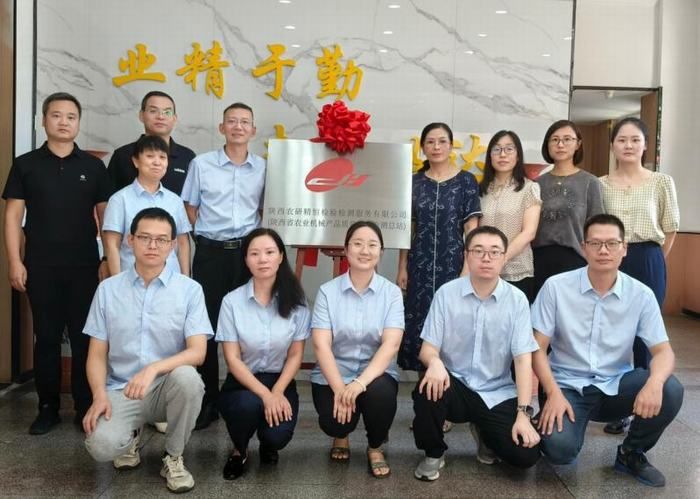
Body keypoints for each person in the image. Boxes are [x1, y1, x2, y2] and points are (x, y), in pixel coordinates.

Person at [531, 214, 684, 488]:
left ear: (624, 248)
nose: (604, 250)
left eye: (612, 243)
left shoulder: (641, 295)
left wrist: (654, 382)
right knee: (560, 452)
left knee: (670, 388)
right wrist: (552, 393)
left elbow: (664, 352)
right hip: (567, 387)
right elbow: (537, 348)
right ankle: (545, 421)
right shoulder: (556, 287)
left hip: (616, 386)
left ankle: (631, 452)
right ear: (584, 247)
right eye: (595, 243)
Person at [2, 92, 112, 435]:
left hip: (84, 267)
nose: (63, 122)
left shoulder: (93, 167)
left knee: (84, 338)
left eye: (71, 117)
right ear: (43, 120)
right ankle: (47, 407)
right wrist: (15, 261)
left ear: (78, 123)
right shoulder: (26, 164)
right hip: (40, 266)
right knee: (46, 337)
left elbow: (106, 218)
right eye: (56, 115)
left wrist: (107, 258)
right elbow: (13, 217)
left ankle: (83, 405)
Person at [82, 208, 213, 494]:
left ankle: (173, 456)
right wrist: (99, 395)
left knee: (189, 379)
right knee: (101, 446)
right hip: (122, 389)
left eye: (161, 239)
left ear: (173, 244)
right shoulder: (108, 290)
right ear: (130, 240)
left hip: (167, 388)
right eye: (144, 237)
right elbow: (96, 354)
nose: (153, 245)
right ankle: (131, 435)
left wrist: (153, 369)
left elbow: (198, 352)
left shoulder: (190, 290)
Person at [412, 226, 541, 481]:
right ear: (467, 256)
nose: (486, 258)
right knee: (427, 389)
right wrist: (434, 362)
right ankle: (433, 453)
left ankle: (486, 435)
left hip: (496, 391)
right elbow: (428, 348)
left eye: (494, 252)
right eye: (478, 251)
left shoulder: (517, 300)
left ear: (504, 257)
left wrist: (523, 414)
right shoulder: (447, 294)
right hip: (455, 386)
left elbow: (523, 360)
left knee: (526, 456)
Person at [181, 102, 266, 430]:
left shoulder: (263, 168)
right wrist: (207, 238)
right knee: (207, 327)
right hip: (211, 254)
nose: (238, 127)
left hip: (246, 256)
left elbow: (263, 209)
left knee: (245, 325)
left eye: (245, 122)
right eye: (232, 121)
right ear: (222, 127)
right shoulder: (201, 164)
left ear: (253, 130)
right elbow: (190, 208)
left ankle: (240, 395)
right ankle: (207, 401)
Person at [600, 117, 680, 435]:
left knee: (645, 335)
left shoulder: (661, 181)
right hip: (610, 259)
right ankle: (619, 405)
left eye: (635, 140)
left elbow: (670, 228)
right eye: (622, 140)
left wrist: (653, 261)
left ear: (646, 145)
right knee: (613, 331)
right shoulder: (601, 184)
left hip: (648, 258)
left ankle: (646, 403)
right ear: (613, 146)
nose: (628, 145)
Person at [311, 221, 404, 478]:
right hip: (334, 373)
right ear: (346, 249)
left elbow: (391, 345)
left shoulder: (392, 293)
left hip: (375, 374)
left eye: (372, 245)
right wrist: (341, 389)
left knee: (381, 394)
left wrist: (359, 384)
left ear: (380, 252)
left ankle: (375, 446)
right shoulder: (327, 292)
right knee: (334, 421)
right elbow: (321, 345)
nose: (365, 251)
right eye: (358, 244)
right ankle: (341, 435)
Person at [216, 228, 310, 480]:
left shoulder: (297, 303)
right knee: (247, 406)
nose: (263, 259)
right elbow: (232, 359)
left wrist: (277, 392)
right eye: (254, 253)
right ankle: (239, 449)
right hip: (242, 382)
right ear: (246, 260)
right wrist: (266, 396)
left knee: (277, 436)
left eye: (269, 252)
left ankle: (268, 443)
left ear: (281, 256)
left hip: (280, 381)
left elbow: (295, 355)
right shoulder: (232, 302)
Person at [397, 122, 481, 375]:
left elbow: (471, 228)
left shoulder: (466, 181)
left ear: (451, 146)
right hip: (419, 263)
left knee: (452, 318)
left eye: (442, 141)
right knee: (419, 318)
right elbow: (407, 229)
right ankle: (423, 385)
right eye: (430, 142)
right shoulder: (414, 182)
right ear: (422, 147)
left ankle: (448, 384)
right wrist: (402, 267)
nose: (436, 147)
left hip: (453, 262)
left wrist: (468, 267)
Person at [532, 120, 604, 297]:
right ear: (547, 144)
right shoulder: (536, 184)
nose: (560, 144)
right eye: (554, 139)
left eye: (567, 139)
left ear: (578, 144)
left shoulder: (590, 182)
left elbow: (597, 227)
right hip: (538, 260)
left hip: (576, 260)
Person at [102, 135, 191, 277]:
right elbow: (112, 244)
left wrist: (185, 279)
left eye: (162, 157)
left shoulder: (175, 201)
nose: (157, 162)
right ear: (136, 161)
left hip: (171, 280)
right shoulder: (119, 199)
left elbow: (182, 243)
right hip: (131, 279)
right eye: (150, 156)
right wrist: (117, 282)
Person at [479, 130, 542, 302]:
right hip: (483, 269)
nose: (502, 154)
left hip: (517, 271)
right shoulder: (481, 190)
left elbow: (529, 232)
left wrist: (501, 258)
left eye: (509, 149)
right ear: (490, 156)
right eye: (497, 149)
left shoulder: (529, 188)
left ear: (518, 155)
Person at [107, 91, 195, 195]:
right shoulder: (122, 155)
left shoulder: (187, 157)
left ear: (174, 119)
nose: (160, 117)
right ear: (141, 115)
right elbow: (109, 197)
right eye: (153, 111)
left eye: (167, 112)